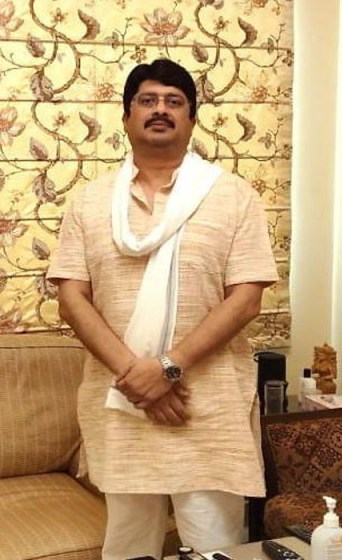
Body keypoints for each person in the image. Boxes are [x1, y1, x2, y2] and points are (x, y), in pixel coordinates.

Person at [47, 59, 277, 559]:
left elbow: (246, 299)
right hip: (122, 404)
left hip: (206, 406)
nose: (160, 110)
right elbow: (71, 299)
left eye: (174, 102)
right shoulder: (89, 202)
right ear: (126, 116)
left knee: (214, 546)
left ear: (192, 119)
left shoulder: (233, 196)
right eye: (147, 100)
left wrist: (169, 368)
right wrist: (140, 380)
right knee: (129, 545)